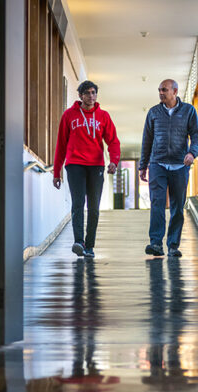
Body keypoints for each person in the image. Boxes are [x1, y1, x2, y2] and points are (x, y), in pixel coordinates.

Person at [53, 80, 120, 258]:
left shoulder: (103, 116)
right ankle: (79, 242)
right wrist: (56, 171)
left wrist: (114, 160)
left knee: (94, 207)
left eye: (93, 93)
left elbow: (113, 141)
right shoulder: (69, 116)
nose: (91, 96)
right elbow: (61, 145)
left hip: (96, 166)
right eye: (87, 93)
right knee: (77, 204)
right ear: (80, 95)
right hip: (74, 165)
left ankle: (89, 245)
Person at [139, 79, 198, 257]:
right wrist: (142, 165)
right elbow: (147, 140)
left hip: (180, 165)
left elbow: (197, 135)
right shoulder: (153, 112)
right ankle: (156, 243)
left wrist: (192, 153)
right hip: (157, 163)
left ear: (175, 91)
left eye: (164, 90)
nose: (160, 93)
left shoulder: (188, 111)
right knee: (157, 203)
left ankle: (173, 245)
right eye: (159, 90)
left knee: (177, 206)